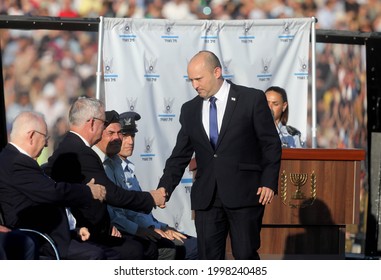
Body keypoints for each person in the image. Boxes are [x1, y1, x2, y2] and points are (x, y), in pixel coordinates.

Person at [157, 50, 282, 260]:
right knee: (209, 260)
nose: (195, 85)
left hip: (244, 195)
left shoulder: (250, 99)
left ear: (216, 72)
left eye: (198, 79)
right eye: (191, 81)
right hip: (207, 199)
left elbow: (270, 144)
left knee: (245, 257)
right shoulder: (190, 110)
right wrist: (165, 188)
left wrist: (269, 182)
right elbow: (180, 154)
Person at [43, 97, 166, 259]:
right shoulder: (81, 152)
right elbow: (111, 194)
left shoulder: (70, 145)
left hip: (95, 229)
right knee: (141, 249)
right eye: (103, 123)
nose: (103, 129)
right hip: (87, 234)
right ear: (92, 123)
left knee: (143, 247)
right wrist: (150, 198)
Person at [0, 111, 111, 260]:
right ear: (31, 136)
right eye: (45, 138)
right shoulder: (15, 162)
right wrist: (88, 191)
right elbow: (53, 192)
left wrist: (73, 229)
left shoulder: (15, 159)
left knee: (111, 253)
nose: (46, 144)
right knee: (99, 255)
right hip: (40, 239)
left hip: (51, 233)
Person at [104, 111, 198, 260]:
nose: (130, 141)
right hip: (133, 234)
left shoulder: (127, 168)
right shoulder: (110, 167)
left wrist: (162, 227)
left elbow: (141, 213)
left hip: (148, 229)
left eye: (132, 135)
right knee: (188, 249)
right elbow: (123, 214)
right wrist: (153, 229)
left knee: (197, 246)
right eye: (125, 136)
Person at [92, 110, 158, 260]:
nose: (127, 140)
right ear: (99, 134)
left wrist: (156, 227)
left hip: (123, 228)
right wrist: (141, 229)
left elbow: (128, 209)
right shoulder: (96, 163)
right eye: (111, 133)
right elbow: (116, 207)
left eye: (121, 133)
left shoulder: (115, 164)